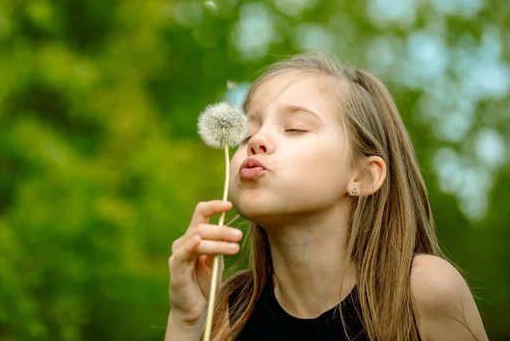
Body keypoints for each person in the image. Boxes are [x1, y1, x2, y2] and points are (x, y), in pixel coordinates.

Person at [165, 52, 488, 340]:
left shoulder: (422, 290)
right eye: (248, 131)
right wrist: (187, 320)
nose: (257, 139)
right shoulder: (227, 313)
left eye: (295, 128)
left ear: (363, 176)